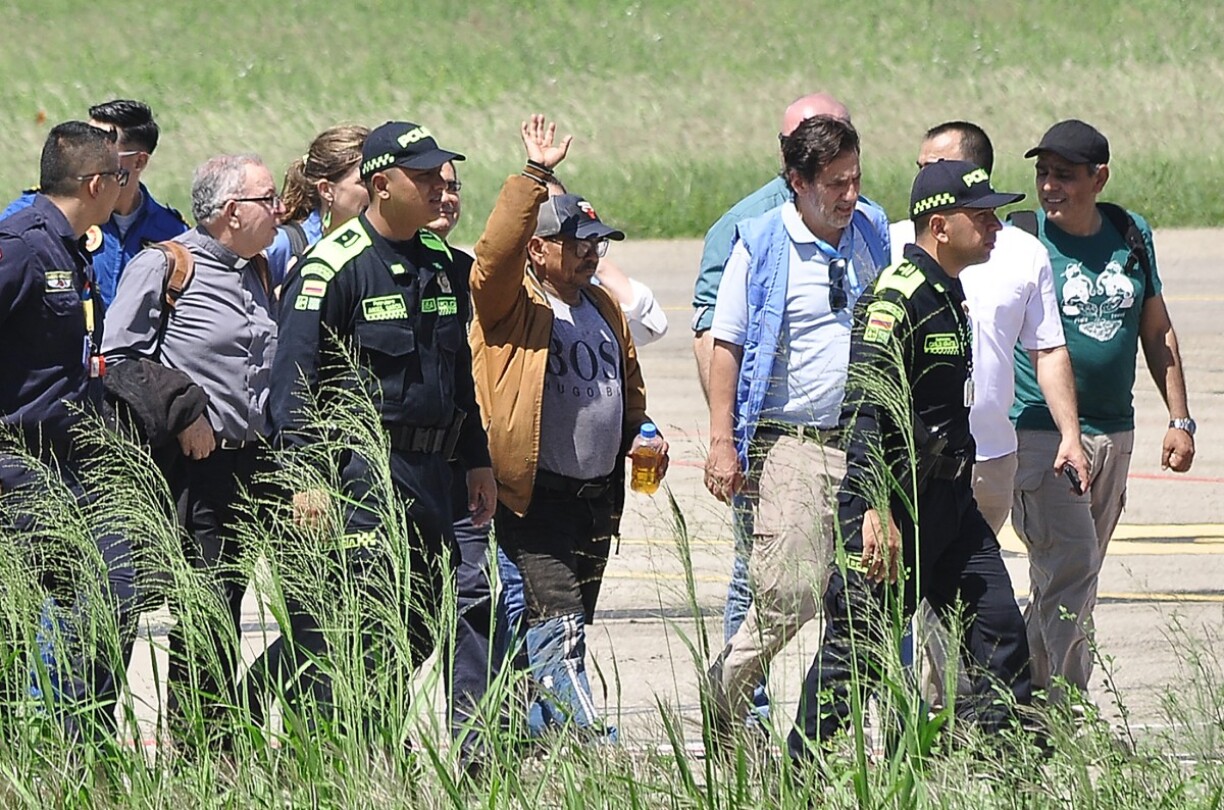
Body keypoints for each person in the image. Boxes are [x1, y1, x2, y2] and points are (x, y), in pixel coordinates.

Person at [789, 161, 1032, 760]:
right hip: (892, 507)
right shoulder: (898, 296)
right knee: (858, 657)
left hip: (950, 506)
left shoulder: (949, 292)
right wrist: (873, 508)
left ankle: (1014, 770)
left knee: (1000, 628)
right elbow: (866, 407)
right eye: (982, 216)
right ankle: (798, 776)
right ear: (941, 225)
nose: (995, 225)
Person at [266, 120, 495, 737]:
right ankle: (350, 755)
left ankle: (357, 734)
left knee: (427, 616)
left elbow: (458, 373)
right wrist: (307, 479)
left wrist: (477, 459)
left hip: (434, 474)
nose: (436, 190)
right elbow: (295, 384)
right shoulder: (333, 267)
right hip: (361, 475)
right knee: (365, 625)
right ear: (381, 185)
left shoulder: (447, 266)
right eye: (421, 177)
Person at [469, 114, 668, 740]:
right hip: (534, 504)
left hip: (595, 503)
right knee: (558, 628)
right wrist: (536, 175)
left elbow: (629, 392)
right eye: (577, 241)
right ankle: (592, 749)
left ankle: (526, 744)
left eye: (597, 242)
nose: (590, 251)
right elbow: (493, 255)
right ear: (539, 249)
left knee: (564, 628)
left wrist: (645, 430)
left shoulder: (605, 305)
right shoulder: (512, 304)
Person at [691, 93, 888, 723]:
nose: (849, 196)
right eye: (835, 185)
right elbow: (727, 343)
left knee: (869, 592)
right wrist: (723, 441)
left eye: (855, 180)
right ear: (797, 184)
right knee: (792, 590)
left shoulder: (872, 232)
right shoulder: (762, 243)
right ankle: (729, 684)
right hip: (792, 442)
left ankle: (829, 731)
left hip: (861, 440)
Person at [1011, 119, 1195, 706]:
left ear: (1099, 177)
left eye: (1063, 175)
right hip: (1041, 434)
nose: (1048, 187)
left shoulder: (1129, 232)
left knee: (1072, 578)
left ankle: (1020, 702)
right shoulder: (1021, 238)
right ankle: (1061, 711)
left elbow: (1157, 328)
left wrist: (1180, 418)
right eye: (1042, 173)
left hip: (1115, 432)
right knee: (1072, 569)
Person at [102, 154, 282, 748]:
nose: (280, 208)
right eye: (268, 198)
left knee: (284, 596)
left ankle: (244, 719)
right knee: (205, 601)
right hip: (198, 464)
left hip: (261, 461)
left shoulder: (258, 269)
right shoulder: (165, 265)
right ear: (232, 212)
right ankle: (204, 740)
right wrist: (186, 414)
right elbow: (121, 360)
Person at [0, 120, 136, 743]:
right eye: (122, 177)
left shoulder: (73, 249)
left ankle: (78, 749)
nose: (127, 187)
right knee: (32, 613)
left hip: (74, 463)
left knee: (114, 595)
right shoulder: (23, 246)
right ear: (95, 182)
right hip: (21, 466)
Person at [891, 122, 1088, 534]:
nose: (922, 178)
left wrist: (1071, 434)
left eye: (936, 167)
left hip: (991, 456)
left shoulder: (1021, 252)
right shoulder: (891, 243)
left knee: (973, 588)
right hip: (911, 459)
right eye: (919, 167)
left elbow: (1048, 350)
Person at [1, 100, 187, 306]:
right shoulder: (29, 220)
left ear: (139, 161)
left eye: (104, 144)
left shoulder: (173, 233)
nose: (88, 148)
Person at [265, 124, 371, 285]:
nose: (377, 189)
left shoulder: (383, 241)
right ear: (326, 190)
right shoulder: (282, 245)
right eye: (364, 182)